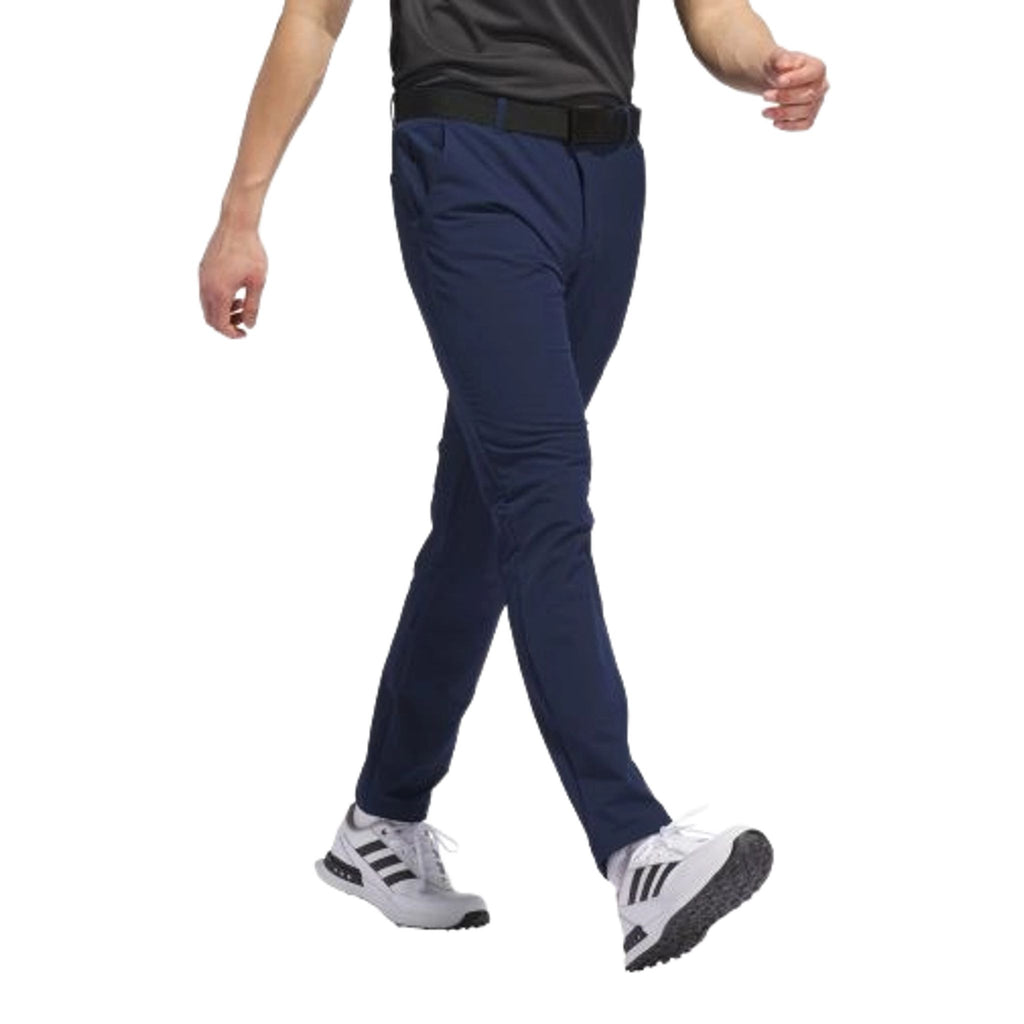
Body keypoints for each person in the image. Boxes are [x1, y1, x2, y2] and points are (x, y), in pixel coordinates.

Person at [198, 0, 828, 972]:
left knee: (480, 522)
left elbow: (711, 14)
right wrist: (241, 216)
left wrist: (771, 64)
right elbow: (313, 20)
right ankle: (634, 849)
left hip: (608, 178)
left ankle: (380, 817)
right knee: (542, 498)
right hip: (469, 162)